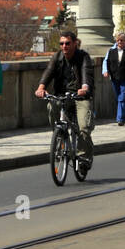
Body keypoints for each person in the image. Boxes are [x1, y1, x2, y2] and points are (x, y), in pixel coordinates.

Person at [38, 30, 96, 163]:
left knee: (83, 128)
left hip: (80, 96)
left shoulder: (83, 57)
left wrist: (85, 87)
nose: (64, 46)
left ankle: (83, 156)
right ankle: (59, 134)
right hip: (62, 96)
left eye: (68, 43)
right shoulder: (57, 57)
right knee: (51, 105)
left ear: (75, 43)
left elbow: (86, 71)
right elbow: (49, 72)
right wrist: (41, 87)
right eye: (62, 43)